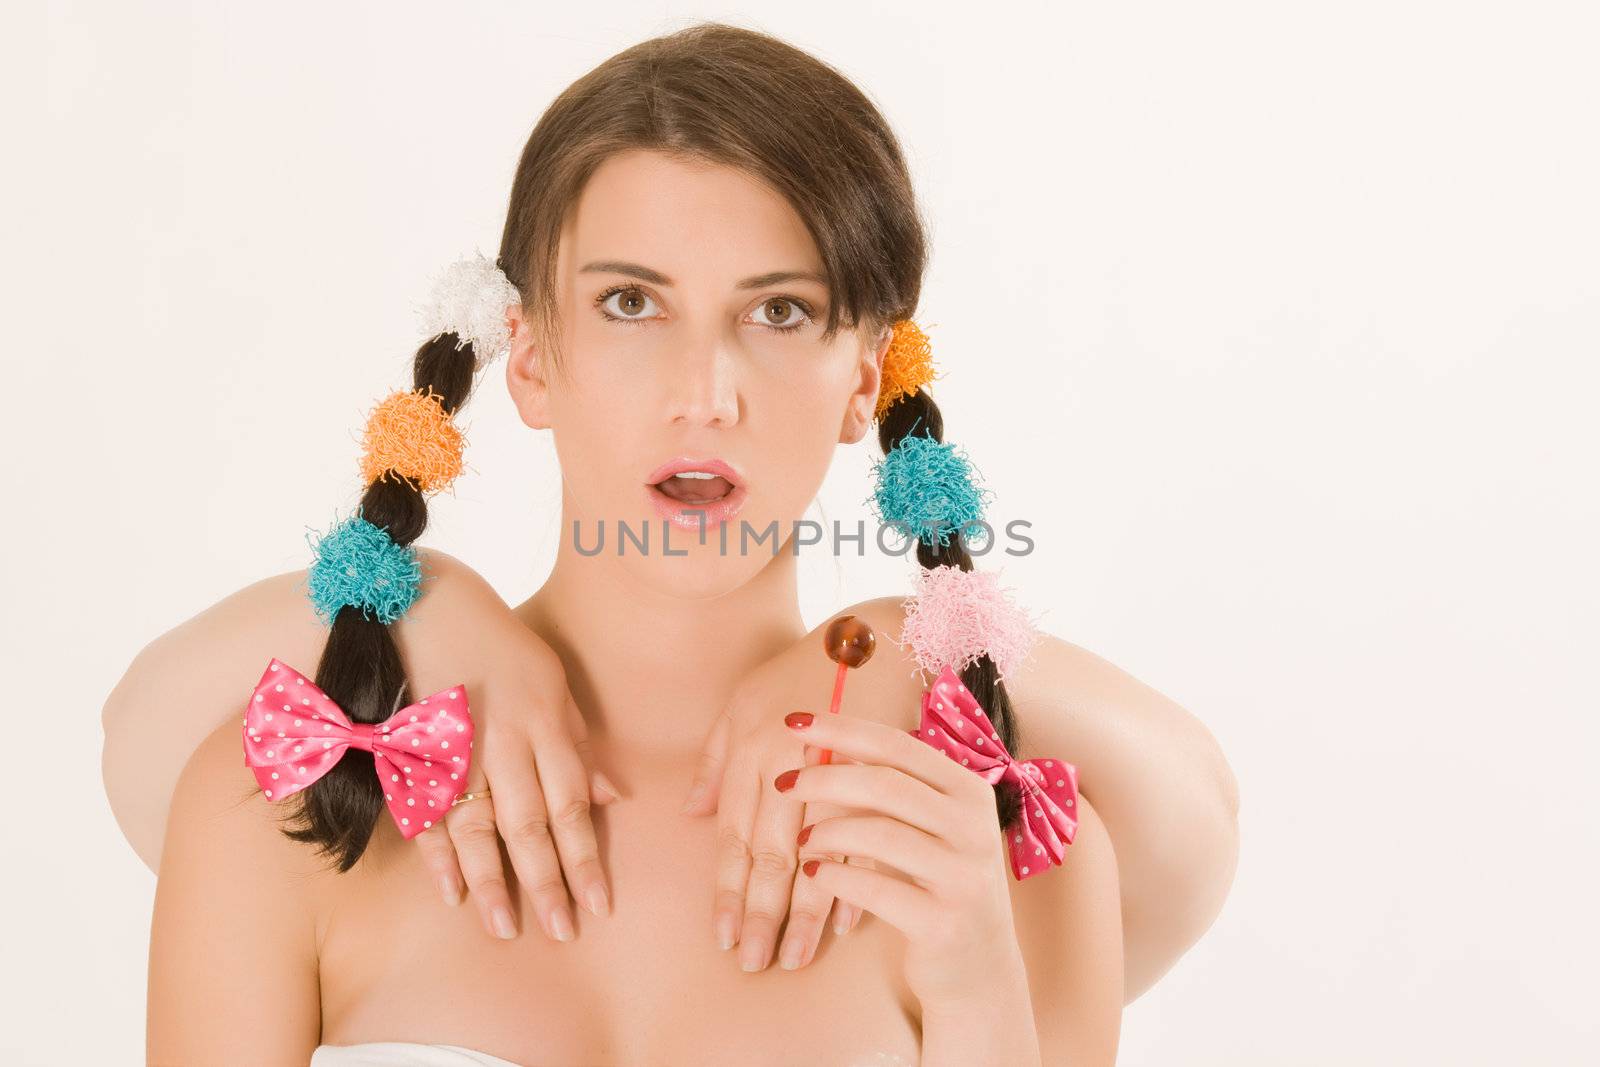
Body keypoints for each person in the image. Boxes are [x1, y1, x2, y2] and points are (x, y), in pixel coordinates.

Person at [113, 21, 1236, 1065]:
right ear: (529, 355)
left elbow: (1199, 807)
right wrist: (426, 597)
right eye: (630, 303)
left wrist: (978, 989)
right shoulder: (284, 797)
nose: (705, 394)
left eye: (779, 310)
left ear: (865, 375)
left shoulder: (995, 854)